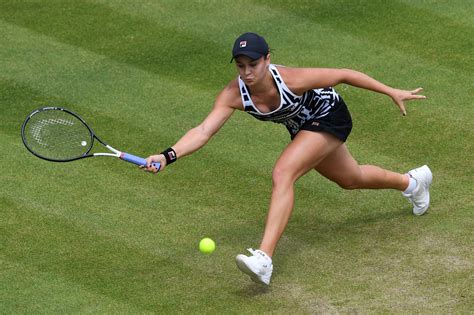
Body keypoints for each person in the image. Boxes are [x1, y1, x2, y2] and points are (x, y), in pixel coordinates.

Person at [144, 32, 432, 285]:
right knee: (350, 178)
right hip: (303, 128)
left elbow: (344, 74)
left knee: (283, 173)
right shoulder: (234, 93)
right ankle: (413, 183)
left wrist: (391, 91)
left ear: (268, 59)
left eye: (253, 64)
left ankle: (264, 259)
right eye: (241, 66)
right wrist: (168, 156)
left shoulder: (291, 79)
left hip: (329, 115)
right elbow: (204, 130)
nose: (247, 72)